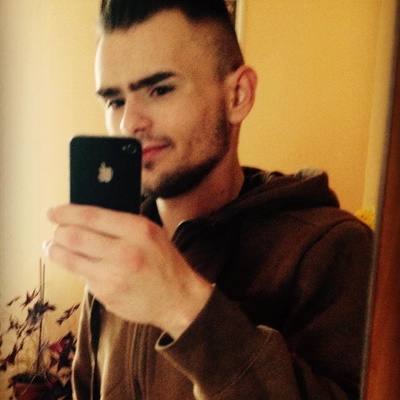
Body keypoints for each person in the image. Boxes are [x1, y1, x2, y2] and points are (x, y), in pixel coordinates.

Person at [45, 0, 373, 398]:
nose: (129, 122)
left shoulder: (331, 248)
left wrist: (183, 306)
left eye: (160, 89)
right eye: (115, 101)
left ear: (238, 95)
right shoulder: (121, 246)